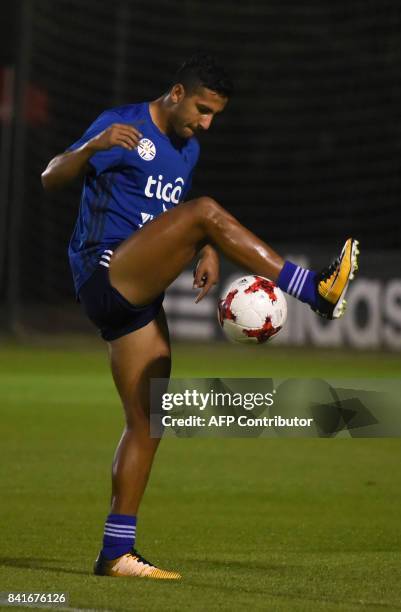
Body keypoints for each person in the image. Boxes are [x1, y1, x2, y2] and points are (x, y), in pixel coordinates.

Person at [41, 52, 359, 580]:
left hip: (137, 294)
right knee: (208, 210)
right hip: (105, 272)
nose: (205, 123)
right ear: (176, 93)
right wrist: (93, 147)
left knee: (148, 420)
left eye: (215, 116)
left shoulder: (186, 151)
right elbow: (51, 176)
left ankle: (116, 552)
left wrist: (204, 250)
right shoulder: (123, 123)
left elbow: (168, 218)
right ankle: (316, 291)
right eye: (203, 110)